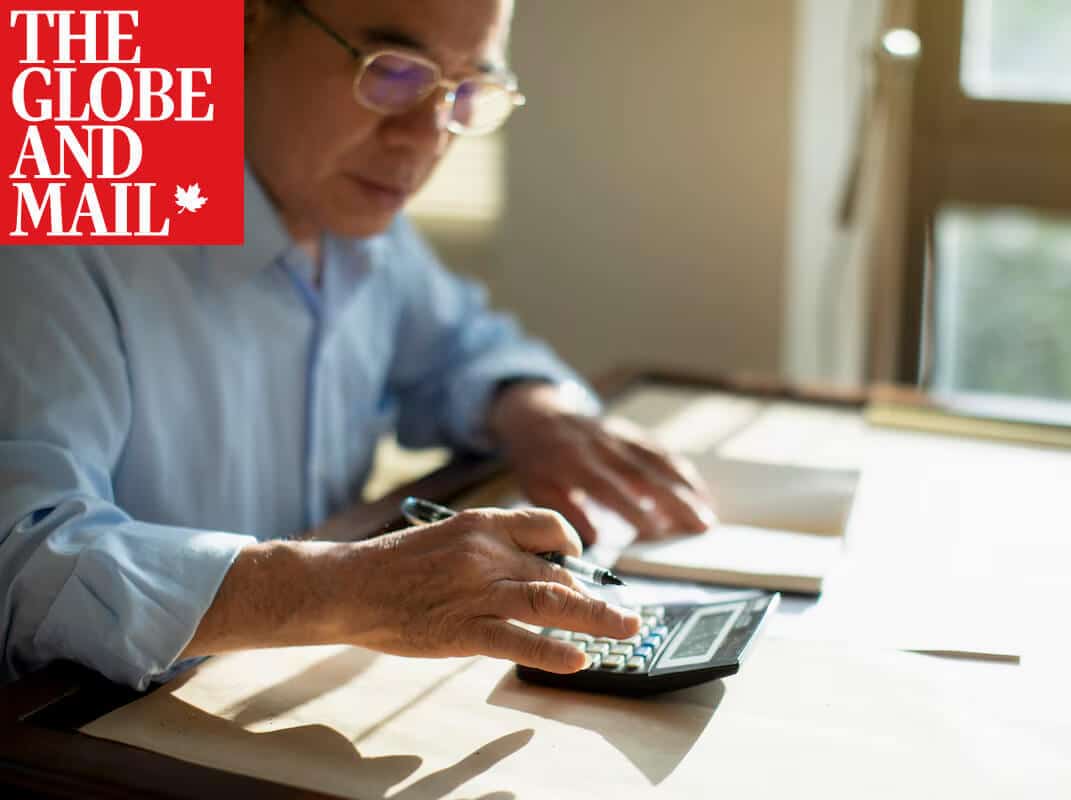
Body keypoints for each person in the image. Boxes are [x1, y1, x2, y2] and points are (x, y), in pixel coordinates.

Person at [0, 0, 715, 690]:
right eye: (394, 70)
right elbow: (24, 559)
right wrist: (343, 588)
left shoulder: (346, 213)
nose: (426, 135)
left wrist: (535, 413)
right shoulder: (58, 231)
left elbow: (462, 347)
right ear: (246, 22)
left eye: (464, 91)